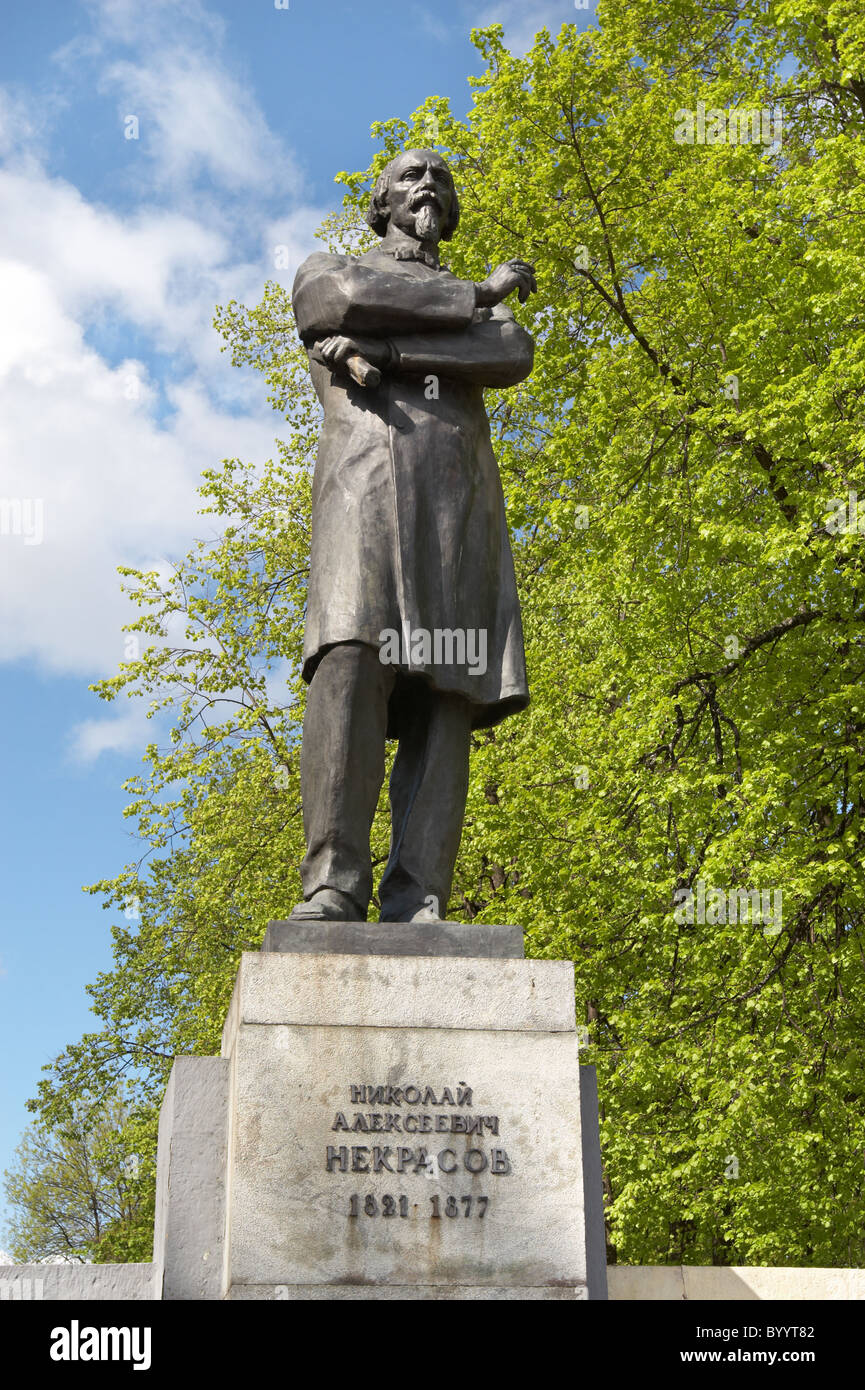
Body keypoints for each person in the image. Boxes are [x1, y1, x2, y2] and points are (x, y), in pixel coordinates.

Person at [289, 148, 536, 923]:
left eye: (441, 178)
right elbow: (337, 298)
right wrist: (475, 296)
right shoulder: (333, 262)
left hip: (455, 499)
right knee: (351, 660)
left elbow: (508, 352)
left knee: (446, 690)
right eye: (409, 176)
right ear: (380, 201)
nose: (427, 184)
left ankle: (417, 893)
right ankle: (332, 883)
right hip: (363, 488)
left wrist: (389, 353)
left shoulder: (476, 315)